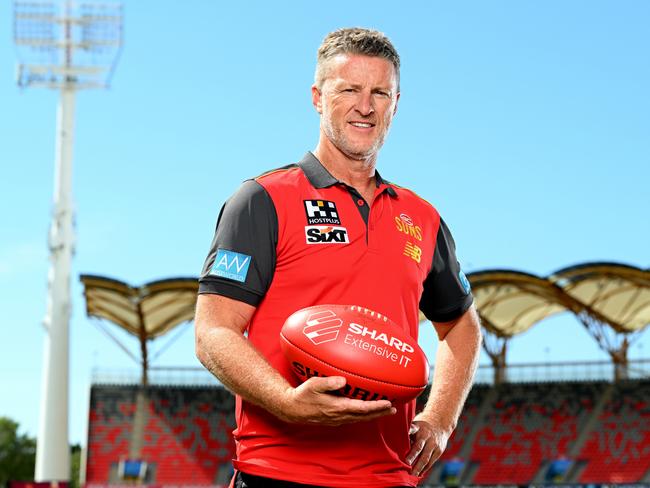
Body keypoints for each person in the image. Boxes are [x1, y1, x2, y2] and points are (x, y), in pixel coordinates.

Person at [195, 27, 482, 488]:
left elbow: (461, 326)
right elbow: (213, 332)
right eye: (349, 89)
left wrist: (441, 419)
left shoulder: (422, 217)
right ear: (317, 96)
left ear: (396, 103)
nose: (365, 106)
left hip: (389, 477)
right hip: (278, 473)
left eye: (380, 92)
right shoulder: (262, 199)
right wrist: (286, 400)